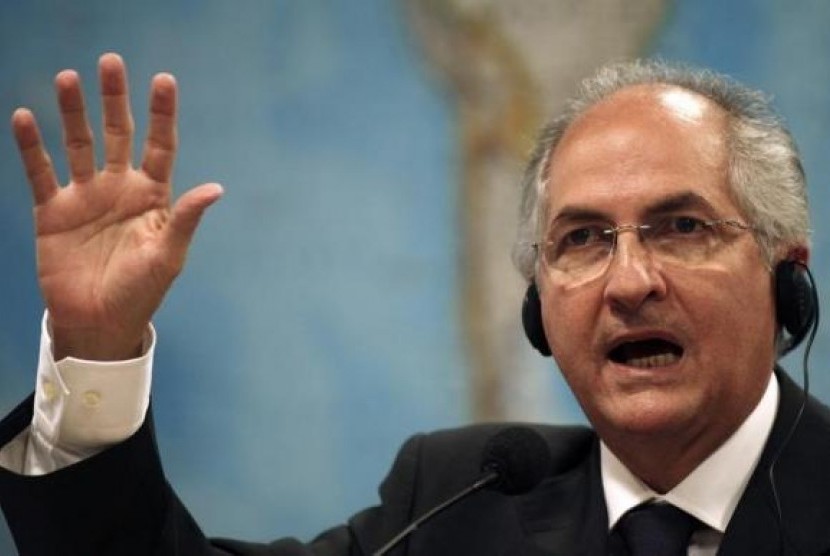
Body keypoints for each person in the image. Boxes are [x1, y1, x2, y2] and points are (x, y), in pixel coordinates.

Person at [0, 52, 826, 555]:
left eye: (680, 226)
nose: (629, 280)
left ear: (785, 274)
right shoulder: (458, 501)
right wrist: (97, 344)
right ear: (540, 307)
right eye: (581, 240)